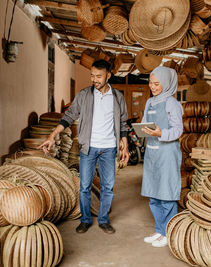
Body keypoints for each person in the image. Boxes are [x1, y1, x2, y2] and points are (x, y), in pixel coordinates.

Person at [39, 59, 130, 234]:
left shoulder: (118, 97)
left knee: (107, 187)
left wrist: (124, 147)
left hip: (110, 148)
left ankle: (103, 220)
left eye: (99, 76)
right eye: (92, 75)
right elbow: (69, 117)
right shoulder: (84, 95)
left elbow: (123, 124)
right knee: (85, 186)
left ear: (108, 76)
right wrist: (52, 135)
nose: (94, 79)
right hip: (88, 148)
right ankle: (85, 220)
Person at [140, 66, 183, 247]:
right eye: (151, 82)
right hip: (152, 152)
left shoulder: (172, 103)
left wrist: (160, 133)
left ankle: (168, 233)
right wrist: (141, 128)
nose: (153, 86)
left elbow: (178, 130)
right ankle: (159, 230)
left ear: (166, 83)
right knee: (154, 194)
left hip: (167, 153)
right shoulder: (150, 102)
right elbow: (144, 122)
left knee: (166, 194)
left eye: (157, 83)